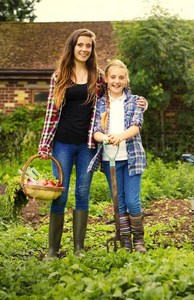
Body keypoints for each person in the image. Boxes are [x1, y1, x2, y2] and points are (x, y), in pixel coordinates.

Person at [38, 30, 146, 259]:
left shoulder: (97, 76)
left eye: (88, 45)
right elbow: (51, 113)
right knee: (60, 194)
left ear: (92, 49)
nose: (84, 49)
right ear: (72, 47)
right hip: (62, 144)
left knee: (82, 193)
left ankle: (78, 249)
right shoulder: (59, 76)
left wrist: (141, 101)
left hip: (88, 144)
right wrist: (44, 144)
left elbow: (116, 95)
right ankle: (52, 250)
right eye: (80, 45)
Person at [88, 59, 147, 253]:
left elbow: (136, 126)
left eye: (121, 77)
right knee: (119, 202)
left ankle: (138, 239)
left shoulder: (134, 101)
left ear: (126, 79)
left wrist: (120, 137)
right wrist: (105, 137)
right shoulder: (100, 104)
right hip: (110, 160)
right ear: (106, 79)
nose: (116, 81)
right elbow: (95, 131)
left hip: (132, 158)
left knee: (132, 201)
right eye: (113, 77)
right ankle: (125, 240)